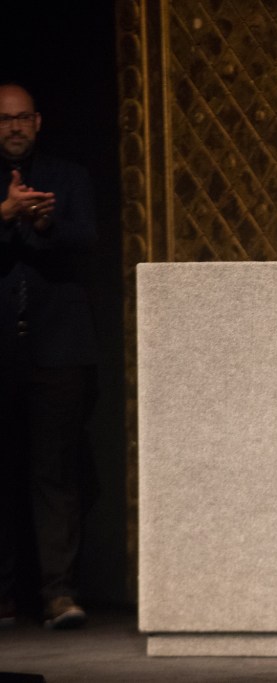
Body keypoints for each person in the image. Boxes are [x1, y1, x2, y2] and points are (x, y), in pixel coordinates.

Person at [0, 82, 98, 629]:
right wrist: (4, 211)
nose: (13, 127)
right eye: (3, 120)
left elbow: (86, 239)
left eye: (21, 118)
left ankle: (59, 594)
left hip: (57, 346)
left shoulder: (68, 177)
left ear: (37, 122)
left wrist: (41, 222)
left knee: (55, 473)